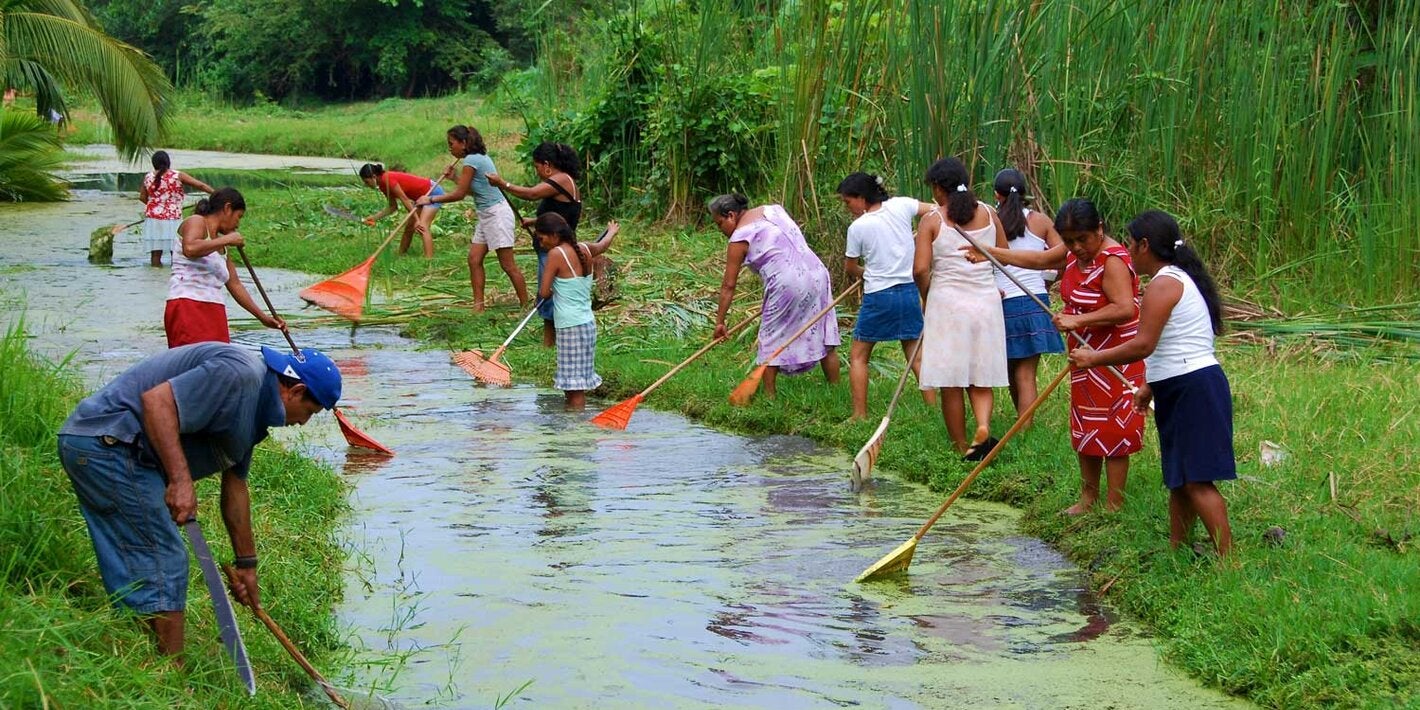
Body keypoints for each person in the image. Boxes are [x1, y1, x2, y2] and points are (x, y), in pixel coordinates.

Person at [56, 342, 342, 655]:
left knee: (142, 555)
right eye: (310, 413)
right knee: (166, 558)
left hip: (120, 452)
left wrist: (247, 564)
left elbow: (236, 487)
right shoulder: (239, 375)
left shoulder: (257, 410)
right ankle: (172, 677)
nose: (303, 422)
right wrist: (180, 480)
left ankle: (140, 656)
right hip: (107, 443)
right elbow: (157, 402)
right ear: (296, 391)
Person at [1069, 210, 1234, 555]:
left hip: (1195, 387)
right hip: (1180, 384)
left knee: (1197, 480)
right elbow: (1173, 346)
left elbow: (1144, 344)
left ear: (1145, 245)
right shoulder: (1169, 280)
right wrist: (1151, 386)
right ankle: (1178, 551)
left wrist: (1093, 358)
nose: (1127, 250)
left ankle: (1228, 561)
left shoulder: (1165, 284)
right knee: (1179, 479)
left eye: (1130, 243)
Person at [966, 197, 1146, 513]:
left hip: (1114, 356)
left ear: (1099, 229)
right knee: (1086, 424)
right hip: (1083, 355)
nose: (1075, 247)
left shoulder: (1113, 259)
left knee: (1114, 429)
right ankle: (1088, 499)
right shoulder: (1075, 250)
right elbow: (1040, 261)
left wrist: (1078, 320)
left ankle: (1114, 504)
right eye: (1069, 240)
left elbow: (1125, 308)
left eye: (1082, 239)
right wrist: (992, 253)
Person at [914, 158, 1010, 460]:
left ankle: (959, 446)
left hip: (947, 304)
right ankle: (982, 426)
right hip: (985, 302)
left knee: (950, 380)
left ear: (939, 188)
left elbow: (920, 269)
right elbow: (1005, 256)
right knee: (980, 375)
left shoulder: (932, 220)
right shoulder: (990, 213)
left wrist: (927, 295)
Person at [708, 194, 841, 396]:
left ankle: (770, 398)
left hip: (786, 283)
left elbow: (728, 285)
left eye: (719, 224)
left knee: (770, 339)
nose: (720, 231)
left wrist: (720, 322)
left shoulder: (739, 237)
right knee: (823, 333)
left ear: (731, 216)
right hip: (818, 275)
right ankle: (836, 389)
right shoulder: (773, 210)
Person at [837, 172, 935, 419]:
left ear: (861, 198)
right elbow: (935, 211)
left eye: (848, 202)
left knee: (859, 356)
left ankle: (859, 415)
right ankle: (933, 410)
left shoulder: (858, 227)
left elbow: (850, 268)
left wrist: (866, 273)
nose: (847, 208)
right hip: (908, 292)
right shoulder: (901, 205)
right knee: (916, 355)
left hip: (879, 296)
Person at [418, 126, 528, 312]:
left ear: (463, 143)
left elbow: (459, 195)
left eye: (451, 144)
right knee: (474, 259)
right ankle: (479, 307)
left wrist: (430, 199)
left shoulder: (471, 160)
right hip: (486, 215)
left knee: (508, 265)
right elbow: (471, 190)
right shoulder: (475, 159)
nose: (450, 148)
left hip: (497, 214)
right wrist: (455, 178)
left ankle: (526, 306)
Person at [489, 142, 583, 346]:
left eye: (537, 166)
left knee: (547, 296)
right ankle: (550, 344)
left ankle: (549, 346)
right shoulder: (565, 180)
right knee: (551, 296)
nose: (537, 171)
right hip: (555, 248)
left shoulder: (561, 179)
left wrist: (502, 184)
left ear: (547, 165)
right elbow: (561, 217)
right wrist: (535, 222)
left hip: (554, 251)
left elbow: (531, 194)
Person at [164, 188, 285, 348]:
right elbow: (190, 248)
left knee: (219, 365)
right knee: (194, 363)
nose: (238, 224)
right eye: (238, 217)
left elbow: (235, 284)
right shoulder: (197, 221)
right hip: (188, 305)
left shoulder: (222, 247)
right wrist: (227, 239)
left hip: (214, 309)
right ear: (227, 209)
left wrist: (263, 318)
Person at [992, 168, 1065, 426]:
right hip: (1034, 300)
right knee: (1026, 373)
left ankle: (1022, 425)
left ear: (996, 195)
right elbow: (1061, 256)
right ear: (1025, 194)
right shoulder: (1041, 221)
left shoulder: (990, 220)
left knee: (1014, 370)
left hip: (1002, 302)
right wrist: (1049, 279)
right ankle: (1024, 427)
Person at [535, 213, 619, 410]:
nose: (540, 243)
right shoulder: (585, 248)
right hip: (586, 324)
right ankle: (571, 428)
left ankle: (576, 432)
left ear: (555, 235)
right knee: (572, 385)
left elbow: (544, 292)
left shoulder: (556, 254)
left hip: (570, 327)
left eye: (541, 238)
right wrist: (611, 232)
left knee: (576, 389)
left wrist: (551, 288)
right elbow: (603, 245)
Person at [138, 150, 213, 267]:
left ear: (154, 164)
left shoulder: (148, 177)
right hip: (173, 219)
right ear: (168, 162)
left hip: (153, 220)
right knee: (176, 252)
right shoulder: (177, 175)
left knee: (155, 254)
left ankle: (154, 277)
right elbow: (200, 185)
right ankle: (175, 274)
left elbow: (142, 197)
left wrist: (156, 205)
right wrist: (215, 193)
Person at [357, 163, 443, 258]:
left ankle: (429, 260)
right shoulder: (382, 185)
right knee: (409, 227)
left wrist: (417, 220)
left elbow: (405, 200)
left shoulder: (387, 179)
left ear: (374, 177)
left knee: (422, 226)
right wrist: (374, 218)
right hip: (421, 199)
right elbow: (392, 207)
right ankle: (401, 256)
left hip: (432, 192)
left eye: (367, 182)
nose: (366, 185)